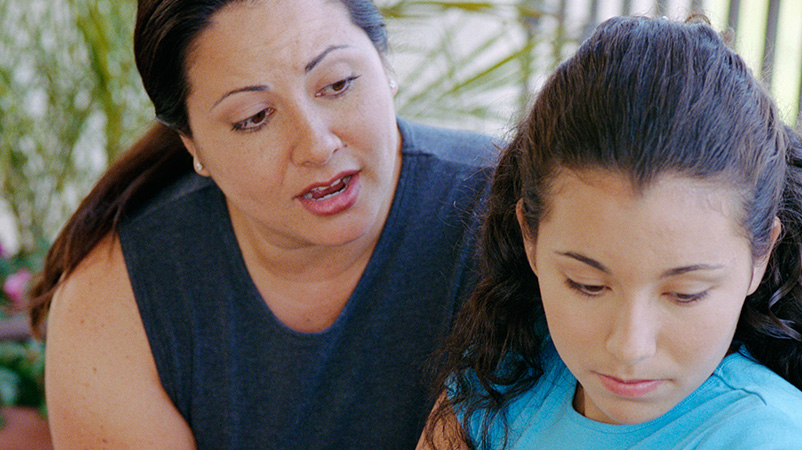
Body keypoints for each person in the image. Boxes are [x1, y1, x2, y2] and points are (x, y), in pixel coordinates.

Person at [419, 16, 802, 450]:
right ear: (530, 236)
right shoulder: (508, 377)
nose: (630, 346)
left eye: (685, 293)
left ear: (760, 255)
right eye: (587, 285)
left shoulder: (768, 437)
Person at [27, 0, 498, 448]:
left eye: (337, 84)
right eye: (254, 118)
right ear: (193, 145)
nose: (316, 145)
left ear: (384, 63)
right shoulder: (115, 297)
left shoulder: (511, 214)